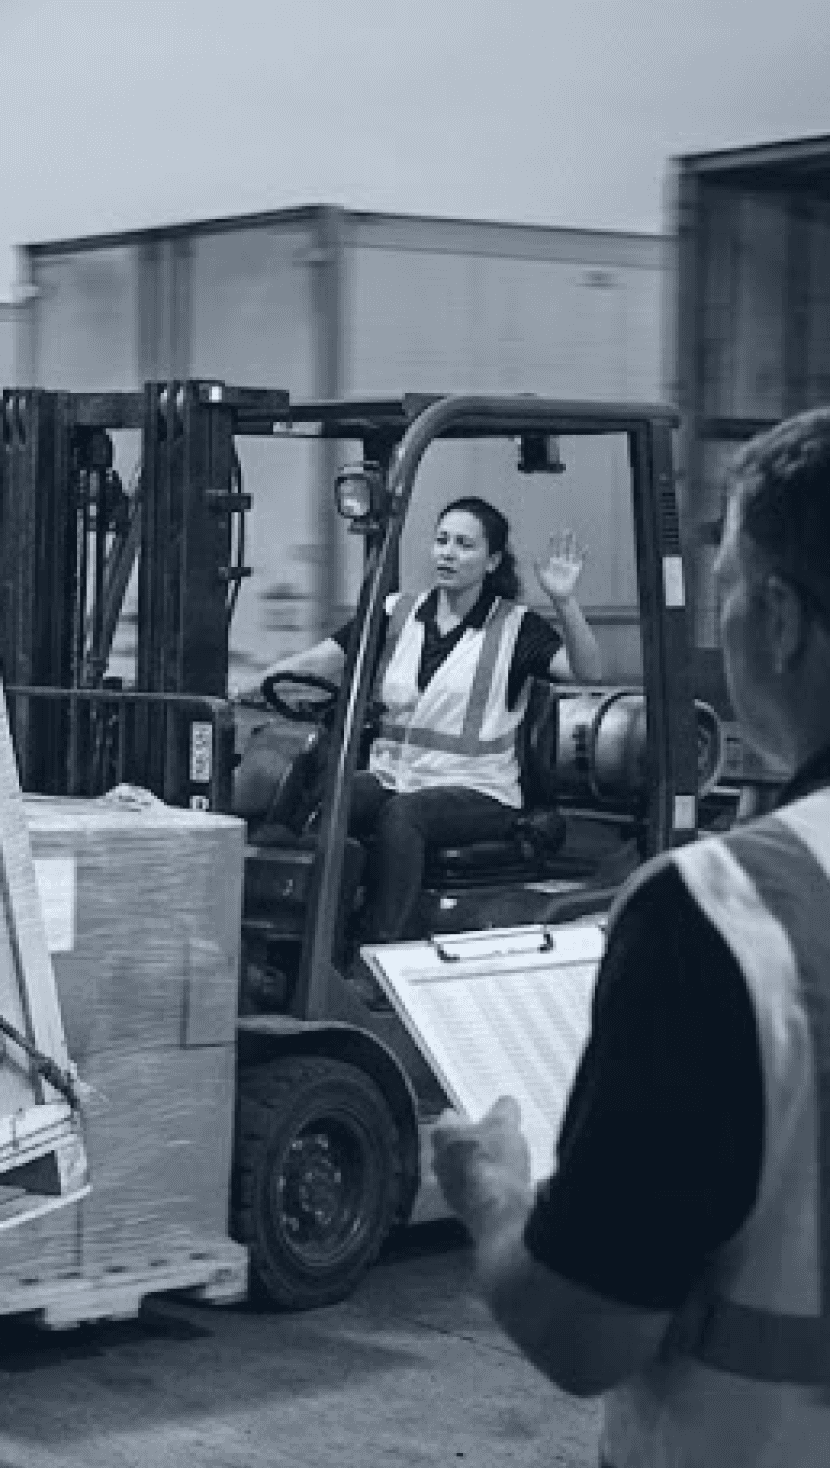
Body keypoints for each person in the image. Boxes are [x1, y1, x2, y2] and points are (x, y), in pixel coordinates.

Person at [430, 408, 830, 1466]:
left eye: (732, 588)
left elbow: (584, 1329)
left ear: (780, 620)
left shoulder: (727, 912)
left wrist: (496, 1191)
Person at [248, 496, 606, 943]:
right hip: (396, 774)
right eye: (441, 541)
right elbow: (327, 657)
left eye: (464, 544)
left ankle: (381, 947)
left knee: (403, 817)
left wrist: (565, 602)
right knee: (326, 795)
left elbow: (586, 672)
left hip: (479, 788)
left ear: (492, 560)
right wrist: (254, 684)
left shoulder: (516, 627)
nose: (448, 553)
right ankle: (315, 934)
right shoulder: (398, 612)